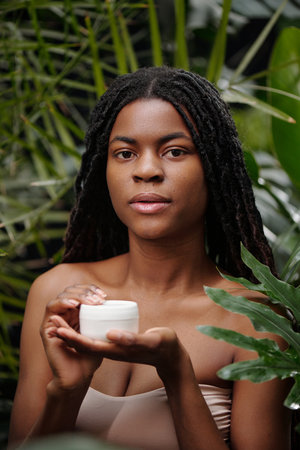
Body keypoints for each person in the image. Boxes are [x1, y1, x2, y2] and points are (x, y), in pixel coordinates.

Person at [8, 67, 291, 450]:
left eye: (175, 151)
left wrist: (177, 374)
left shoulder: (254, 320)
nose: (146, 171)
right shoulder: (57, 295)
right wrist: (68, 389)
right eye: (125, 153)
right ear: (102, 169)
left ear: (213, 166)